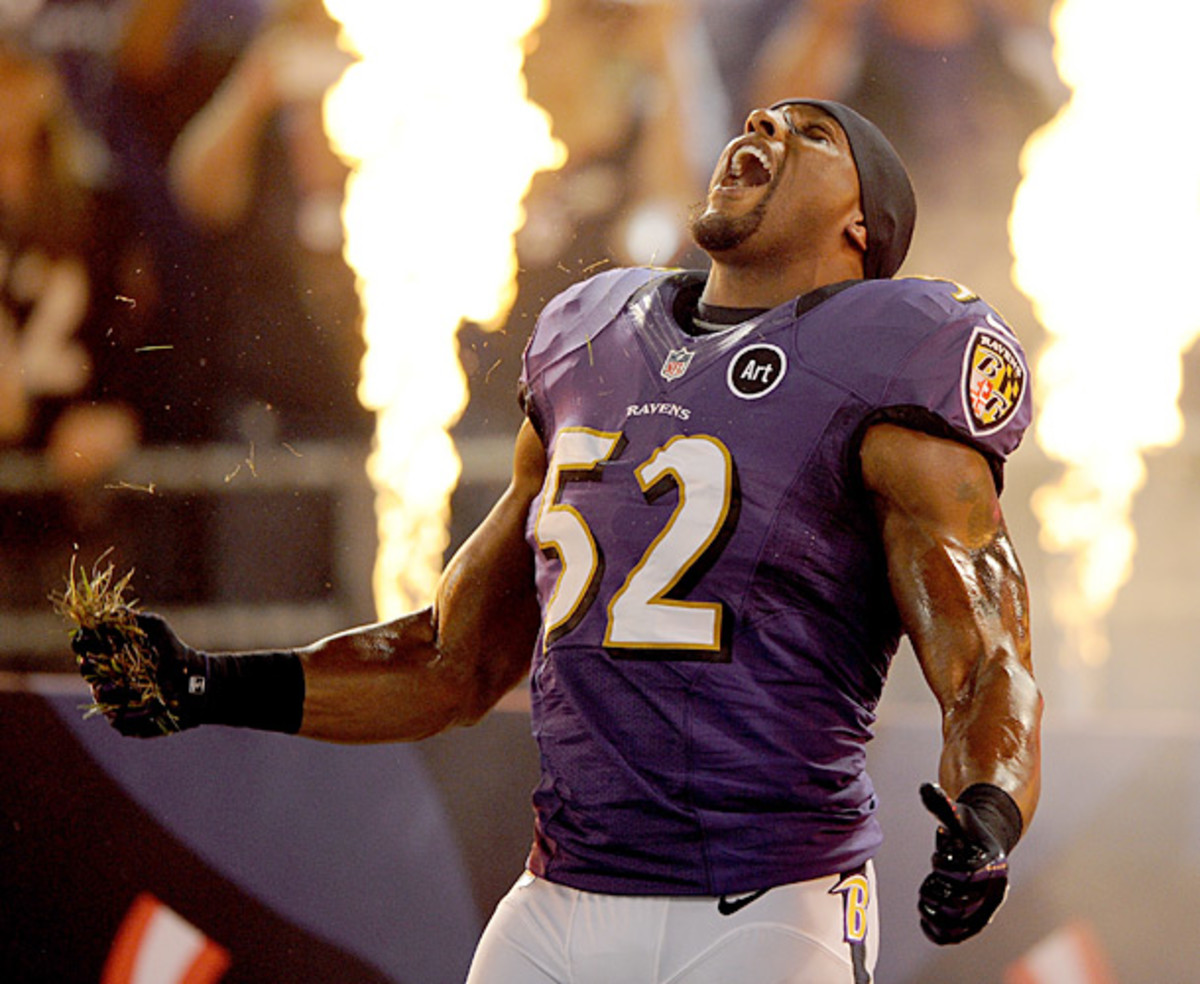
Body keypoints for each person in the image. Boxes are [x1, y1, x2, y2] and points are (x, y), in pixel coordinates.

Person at [73, 98, 1042, 983]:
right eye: (764, 118)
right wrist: (206, 685)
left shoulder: (892, 352)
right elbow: (455, 660)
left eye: (813, 134)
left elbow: (989, 656)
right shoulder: (594, 335)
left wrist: (988, 813)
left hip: (770, 900)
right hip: (558, 897)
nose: (767, 127)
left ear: (862, 227)